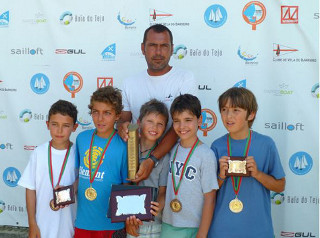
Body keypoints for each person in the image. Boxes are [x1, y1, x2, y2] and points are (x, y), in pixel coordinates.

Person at [118, 24, 197, 183]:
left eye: (164, 46)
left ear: (172, 49)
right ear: (143, 48)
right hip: (137, 165)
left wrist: (152, 159)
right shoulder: (129, 83)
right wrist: (121, 126)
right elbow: (124, 120)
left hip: (176, 165)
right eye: (153, 46)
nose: (158, 52)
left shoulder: (185, 78)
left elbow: (183, 126)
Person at [208, 87, 286, 238]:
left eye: (236, 110)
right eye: (224, 109)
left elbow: (280, 185)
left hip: (258, 230)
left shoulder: (266, 144)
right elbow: (209, 192)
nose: (228, 116)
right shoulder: (217, 146)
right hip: (221, 229)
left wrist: (257, 174)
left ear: (251, 114)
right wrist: (221, 177)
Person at [160, 94, 218, 238]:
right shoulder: (171, 150)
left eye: (188, 120)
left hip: (194, 227)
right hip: (169, 224)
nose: (182, 126)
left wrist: (202, 234)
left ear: (199, 120)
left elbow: (210, 198)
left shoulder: (206, 155)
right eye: (177, 121)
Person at [18, 100, 78, 238]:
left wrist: (71, 189)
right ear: (47, 124)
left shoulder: (78, 153)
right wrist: (32, 224)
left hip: (69, 225)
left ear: (74, 127)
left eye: (66, 126)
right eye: (54, 124)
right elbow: (30, 189)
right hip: (42, 225)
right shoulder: (38, 153)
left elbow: (82, 183)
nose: (59, 130)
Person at [74, 86, 128, 238]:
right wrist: (66, 193)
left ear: (117, 116)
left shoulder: (124, 145)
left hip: (112, 224)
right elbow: (79, 176)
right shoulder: (82, 139)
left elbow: (127, 185)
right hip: (83, 222)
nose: (100, 118)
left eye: (107, 113)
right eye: (95, 112)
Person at [126, 99, 170, 238]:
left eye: (160, 124)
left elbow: (163, 191)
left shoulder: (164, 156)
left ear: (165, 128)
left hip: (154, 227)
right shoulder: (127, 149)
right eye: (150, 121)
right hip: (130, 223)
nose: (154, 127)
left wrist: (160, 204)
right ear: (139, 123)